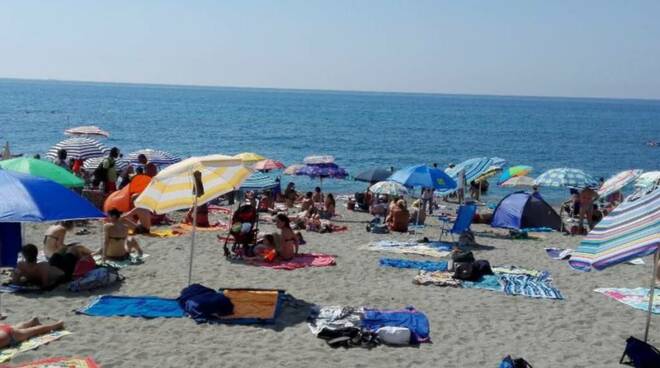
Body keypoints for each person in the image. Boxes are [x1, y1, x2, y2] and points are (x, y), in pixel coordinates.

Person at [0, 317, 64, 349]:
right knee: (15, 328)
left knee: (33, 330)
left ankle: (57, 325)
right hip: (3, 329)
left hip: (9, 335)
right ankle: (31, 322)